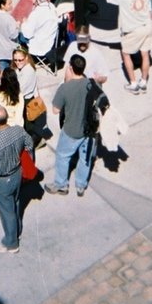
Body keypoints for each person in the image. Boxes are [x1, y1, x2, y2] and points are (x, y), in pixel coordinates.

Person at [84, 0, 152, 93]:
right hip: (146, 27)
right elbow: (150, 13)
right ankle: (143, 81)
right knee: (145, 54)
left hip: (132, 30)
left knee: (126, 54)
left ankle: (133, 83)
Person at [45, 53, 99, 197]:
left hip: (71, 130)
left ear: (70, 67)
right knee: (85, 158)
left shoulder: (65, 88)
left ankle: (61, 184)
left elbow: (55, 110)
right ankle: (81, 185)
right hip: (89, 130)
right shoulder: (90, 84)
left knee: (63, 156)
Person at [0, 103, 33, 254]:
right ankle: (16, 230)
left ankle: (11, 242)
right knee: (16, 202)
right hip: (17, 173)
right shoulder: (18, 130)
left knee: (7, 211)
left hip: (3, 180)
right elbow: (30, 144)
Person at [12, 46, 51, 148]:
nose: (17, 62)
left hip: (26, 101)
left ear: (26, 58)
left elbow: (20, 89)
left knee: (28, 126)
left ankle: (35, 143)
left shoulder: (28, 71)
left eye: (20, 59)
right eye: (15, 60)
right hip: (26, 99)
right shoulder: (22, 68)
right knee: (29, 125)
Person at [18, 0, 59, 64]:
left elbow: (27, 34)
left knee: (19, 36)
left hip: (38, 46)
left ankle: (24, 59)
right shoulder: (52, 7)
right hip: (50, 43)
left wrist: (24, 23)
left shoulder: (36, 13)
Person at [0, 0, 20, 71]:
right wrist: (17, 26)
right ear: (3, 5)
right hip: (9, 51)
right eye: (9, 3)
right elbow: (14, 35)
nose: (11, 5)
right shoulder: (8, 19)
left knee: (4, 74)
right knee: (13, 72)